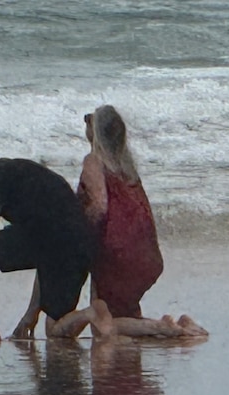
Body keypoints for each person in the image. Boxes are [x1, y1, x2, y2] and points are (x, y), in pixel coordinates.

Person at [77, 105, 207, 338]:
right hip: (146, 255)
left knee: (103, 324)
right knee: (126, 316)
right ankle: (182, 326)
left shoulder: (94, 162)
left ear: (95, 131)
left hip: (116, 256)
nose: (85, 124)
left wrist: (78, 233)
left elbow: (99, 206)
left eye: (89, 120)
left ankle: (163, 328)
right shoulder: (128, 167)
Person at [0, 157, 114, 346]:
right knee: (55, 329)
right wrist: (30, 316)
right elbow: (43, 252)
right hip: (80, 245)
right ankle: (89, 314)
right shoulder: (48, 184)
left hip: (55, 244)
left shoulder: (0, 172)